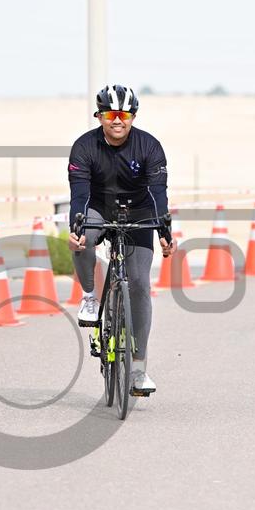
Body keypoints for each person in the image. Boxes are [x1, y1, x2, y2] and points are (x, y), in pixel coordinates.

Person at [67, 84, 175, 395]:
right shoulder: (84, 147)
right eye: (111, 114)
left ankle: (139, 370)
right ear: (99, 116)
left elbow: (158, 194)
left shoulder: (149, 146)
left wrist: (165, 233)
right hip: (98, 207)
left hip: (138, 211)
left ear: (133, 117)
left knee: (139, 284)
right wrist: (76, 229)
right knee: (83, 237)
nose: (117, 120)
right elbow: (79, 195)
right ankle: (90, 296)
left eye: (124, 115)